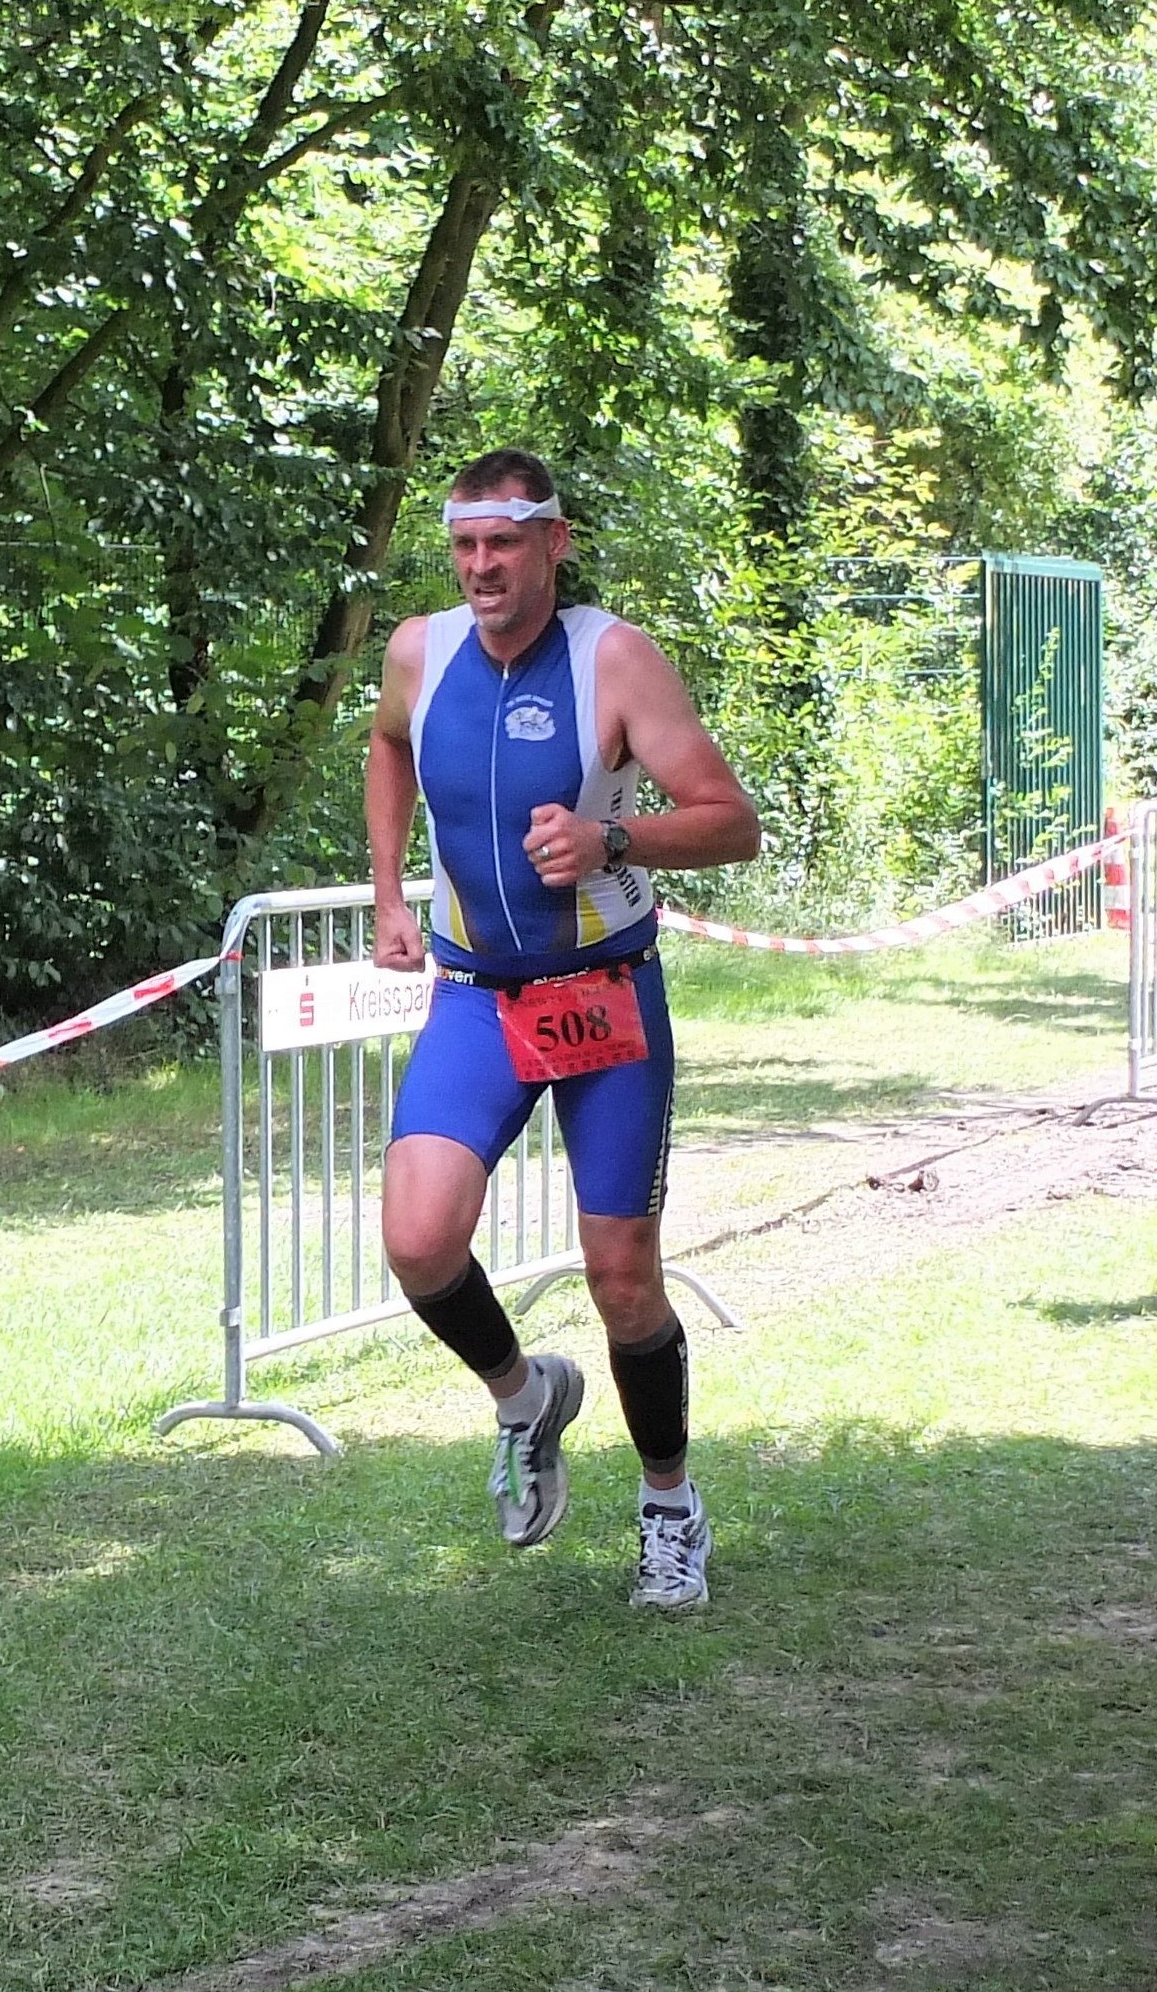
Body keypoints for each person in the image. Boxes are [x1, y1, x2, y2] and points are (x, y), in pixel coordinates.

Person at [368, 447, 762, 1609]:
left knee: (622, 1277)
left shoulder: (613, 659)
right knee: (418, 1240)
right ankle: (525, 1396)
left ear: (554, 542)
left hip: (600, 993)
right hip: (477, 997)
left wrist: (612, 841)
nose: (481, 566)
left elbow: (730, 822)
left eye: (503, 542)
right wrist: (389, 893)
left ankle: (669, 1508)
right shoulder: (419, 650)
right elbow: (388, 744)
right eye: (463, 546)